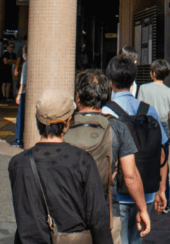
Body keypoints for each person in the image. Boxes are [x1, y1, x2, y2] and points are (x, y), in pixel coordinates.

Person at [8, 88, 112, 244]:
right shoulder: (82, 160)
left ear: (38, 121)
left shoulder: (17, 163)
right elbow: (97, 218)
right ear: (68, 121)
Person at [71, 69, 151, 243]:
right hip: (106, 212)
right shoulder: (116, 127)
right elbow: (130, 175)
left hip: (68, 212)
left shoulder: (66, 126)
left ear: (78, 97)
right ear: (106, 96)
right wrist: (142, 209)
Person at [103, 56, 168, 244]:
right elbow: (162, 153)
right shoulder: (149, 111)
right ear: (133, 82)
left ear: (110, 82)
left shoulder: (106, 113)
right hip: (146, 191)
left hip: (117, 193)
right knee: (136, 240)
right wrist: (161, 189)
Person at [137, 59, 170, 213]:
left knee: (145, 163)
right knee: (163, 165)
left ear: (153, 74)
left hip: (146, 126)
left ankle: (145, 200)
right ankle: (164, 202)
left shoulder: (144, 88)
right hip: (163, 128)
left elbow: (139, 109)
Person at [13, 46, 28, 147]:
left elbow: (23, 81)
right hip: (31, 93)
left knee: (21, 115)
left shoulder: (26, 64)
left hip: (24, 93)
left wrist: (18, 94)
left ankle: (18, 139)